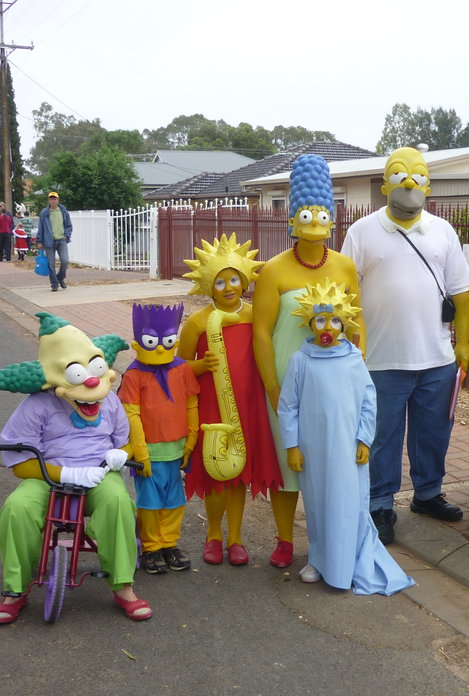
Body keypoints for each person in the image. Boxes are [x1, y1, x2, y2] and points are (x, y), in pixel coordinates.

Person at [340, 147, 469, 544]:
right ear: (386, 185)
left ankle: (427, 493)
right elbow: (346, 293)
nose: (409, 183)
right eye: (400, 175)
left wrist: (462, 344)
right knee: (382, 435)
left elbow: (462, 294)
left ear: (427, 185)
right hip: (380, 359)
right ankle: (380, 502)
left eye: (416, 176)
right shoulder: (361, 231)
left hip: (437, 358)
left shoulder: (443, 231)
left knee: (434, 432)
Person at [0, 312, 151, 624]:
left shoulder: (109, 400)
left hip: (100, 474)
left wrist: (120, 454)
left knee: (118, 503)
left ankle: (123, 585)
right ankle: (15, 589)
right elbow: (19, 464)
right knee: (16, 509)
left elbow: (126, 442)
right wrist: (64, 474)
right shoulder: (37, 404)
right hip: (48, 477)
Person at [252, 154, 363, 568]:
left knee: (331, 458)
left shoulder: (345, 266)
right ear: (292, 219)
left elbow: (357, 319)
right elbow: (261, 331)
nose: (314, 221)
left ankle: (326, 537)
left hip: (335, 379)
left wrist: (359, 364)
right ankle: (284, 539)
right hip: (286, 375)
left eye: (321, 212)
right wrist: (272, 385)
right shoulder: (274, 270)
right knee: (289, 460)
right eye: (305, 213)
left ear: (331, 217)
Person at [278, 278, 415, 595]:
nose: (328, 327)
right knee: (317, 503)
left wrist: (365, 439)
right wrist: (292, 446)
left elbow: (369, 402)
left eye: (335, 320)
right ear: (310, 323)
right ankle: (319, 558)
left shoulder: (354, 359)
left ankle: (348, 559)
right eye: (321, 320)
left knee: (347, 503)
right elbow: (289, 407)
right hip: (313, 450)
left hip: (348, 448)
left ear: (344, 323)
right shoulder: (301, 361)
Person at [178, 234, 282, 566]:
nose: (228, 287)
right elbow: (178, 369)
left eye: (234, 279)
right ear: (209, 285)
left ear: (244, 280)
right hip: (213, 407)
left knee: (238, 472)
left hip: (248, 406)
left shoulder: (256, 316)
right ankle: (212, 534)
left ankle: (235, 537)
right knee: (217, 471)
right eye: (220, 281)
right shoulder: (197, 322)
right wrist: (198, 365)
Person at [117, 303, 200, 575]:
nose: (161, 348)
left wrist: (190, 441)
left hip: (176, 451)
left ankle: (169, 544)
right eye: (153, 341)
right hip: (149, 453)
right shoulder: (133, 374)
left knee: (175, 500)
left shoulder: (182, 369)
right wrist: (140, 453)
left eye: (167, 341)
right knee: (150, 503)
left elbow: (191, 405)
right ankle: (151, 546)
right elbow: (132, 415)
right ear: (138, 342)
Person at [37, 191, 72, 292]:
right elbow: (41, 228)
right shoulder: (44, 213)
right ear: (49, 200)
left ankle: (60, 277)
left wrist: (67, 235)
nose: (53, 200)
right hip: (49, 241)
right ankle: (54, 284)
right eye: (51, 199)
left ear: (58, 200)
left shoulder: (63, 211)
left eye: (55, 198)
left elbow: (69, 225)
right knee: (51, 264)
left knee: (65, 261)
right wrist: (39, 241)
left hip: (61, 240)